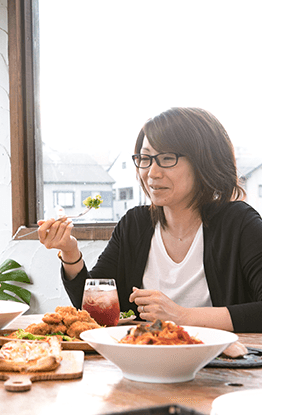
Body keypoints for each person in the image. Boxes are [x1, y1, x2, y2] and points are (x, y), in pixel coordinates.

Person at [38, 107, 261, 333]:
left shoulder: (239, 223)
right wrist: (70, 252)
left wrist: (181, 315)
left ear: (204, 162)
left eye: (166, 158)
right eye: (145, 159)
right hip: (142, 356)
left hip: (221, 362)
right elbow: (93, 312)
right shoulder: (135, 224)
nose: (152, 173)